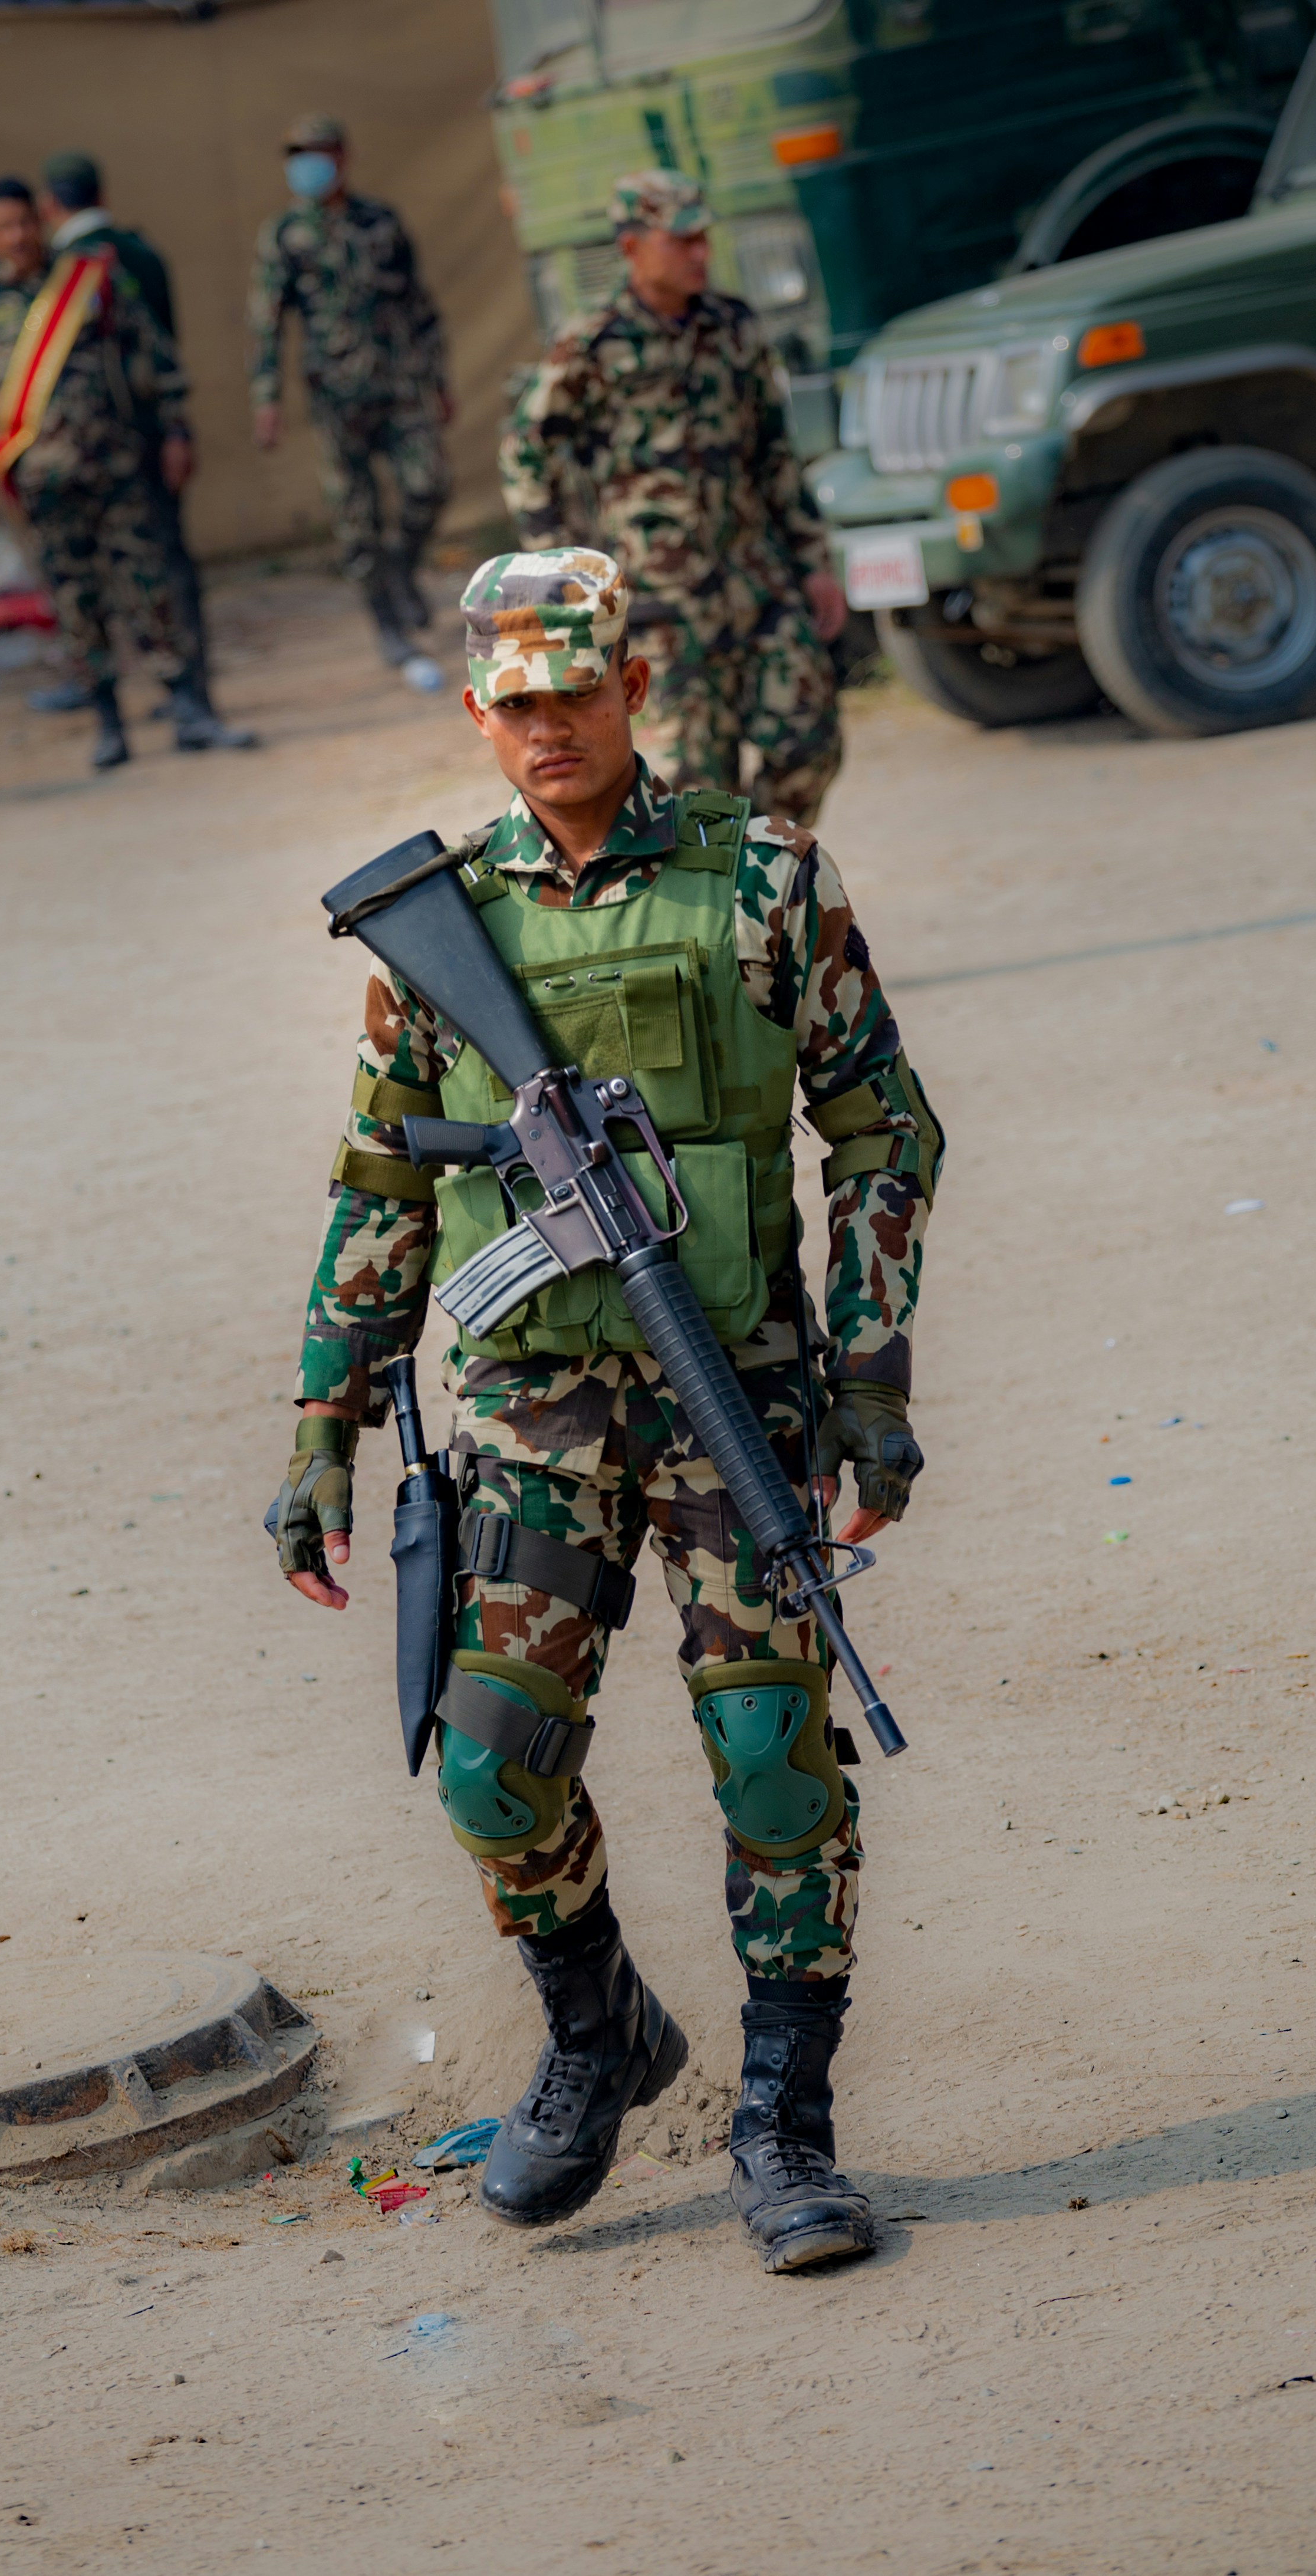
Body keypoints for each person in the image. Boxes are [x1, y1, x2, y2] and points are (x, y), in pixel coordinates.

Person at [269, 548, 941, 2272]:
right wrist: (322, 1430)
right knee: (491, 1768)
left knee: (774, 1758)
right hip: (528, 1410)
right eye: (516, 705)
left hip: (736, 1386)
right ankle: (597, 2032)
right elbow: (380, 1186)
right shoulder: (437, 925)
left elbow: (882, 1129)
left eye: (576, 692)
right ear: (476, 712)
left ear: (633, 686)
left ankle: (785, 2127)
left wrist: (869, 1379)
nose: (548, 728)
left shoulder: (764, 878)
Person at [499, 172, 848, 831]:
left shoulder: (732, 325)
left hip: (758, 585)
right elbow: (527, 450)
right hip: (662, 605)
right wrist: (559, 572)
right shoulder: (594, 342)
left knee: (811, 745)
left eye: (703, 239)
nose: (699, 254)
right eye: (681, 240)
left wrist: (814, 563)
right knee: (697, 788)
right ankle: (725, 879)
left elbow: (774, 452)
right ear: (632, 247)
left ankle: (760, 861)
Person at [0, 175, 250, 768]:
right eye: (3, 228)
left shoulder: (88, 277)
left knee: (150, 588)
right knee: (76, 600)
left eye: (24, 223)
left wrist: (175, 429)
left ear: (42, 219)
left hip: (115, 463)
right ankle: (109, 723)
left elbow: (155, 354)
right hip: (42, 478)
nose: (17, 237)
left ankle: (189, 710)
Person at [25, 150, 237, 735]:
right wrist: (177, 429)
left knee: (98, 576)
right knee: (163, 568)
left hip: (102, 449)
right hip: (152, 438)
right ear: (102, 194)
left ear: (49, 204)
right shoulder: (142, 253)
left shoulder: (64, 269)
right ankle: (190, 690)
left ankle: (139, 690)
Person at [247, 114, 452, 692]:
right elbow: (266, 324)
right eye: (296, 154)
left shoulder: (381, 222)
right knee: (357, 520)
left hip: (400, 387)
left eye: (316, 152)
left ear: (343, 156)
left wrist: (439, 379)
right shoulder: (284, 235)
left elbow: (419, 304)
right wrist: (267, 399)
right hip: (337, 401)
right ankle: (388, 625)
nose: (306, 164)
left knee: (429, 484)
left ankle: (402, 567)